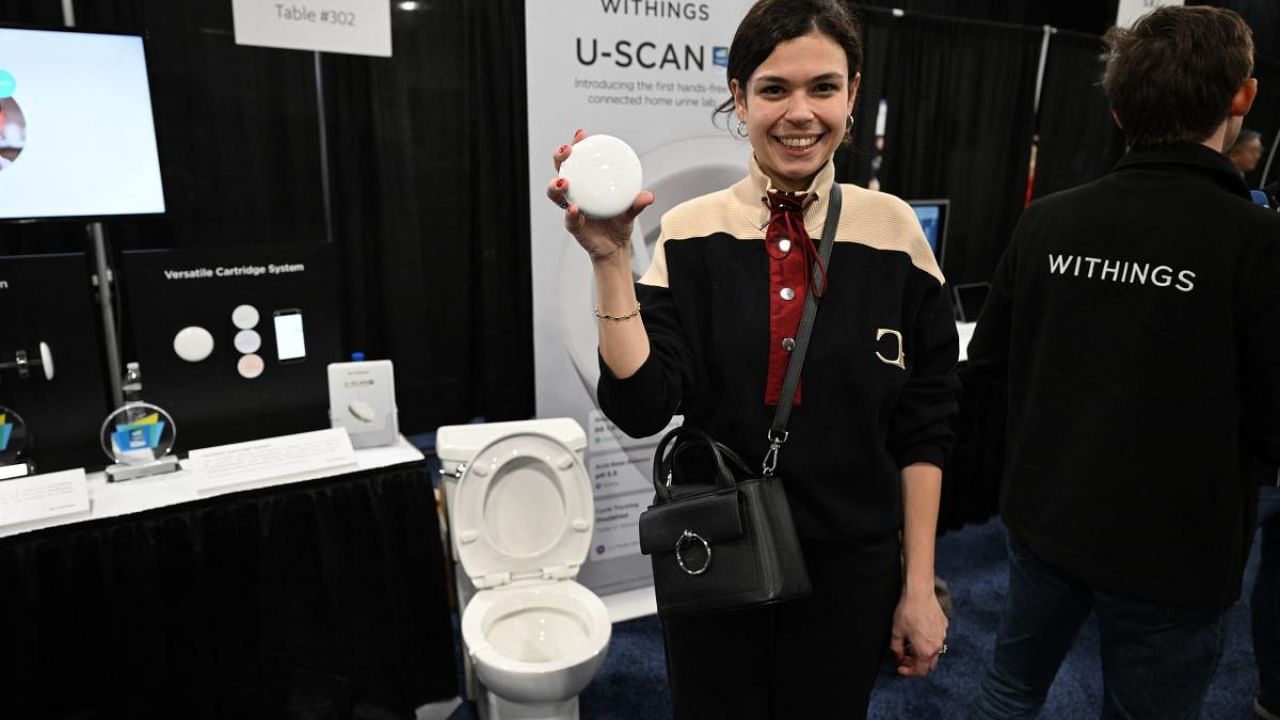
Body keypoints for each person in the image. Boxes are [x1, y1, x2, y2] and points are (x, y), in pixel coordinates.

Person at [547, 0, 958, 717]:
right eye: (774, 89)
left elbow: (925, 425)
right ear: (739, 98)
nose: (800, 113)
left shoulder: (894, 236)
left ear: (853, 94)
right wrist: (611, 259)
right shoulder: (690, 229)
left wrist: (918, 585)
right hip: (717, 548)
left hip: (851, 566)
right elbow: (643, 407)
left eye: (823, 88)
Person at [966, 7, 1280, 720]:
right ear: (1243, 97)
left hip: (1044, 521)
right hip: (1176, 557)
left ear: (1116, 106)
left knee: (1008, 690)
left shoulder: (1050, 220)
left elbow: (987, 369)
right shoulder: (1260, 244)